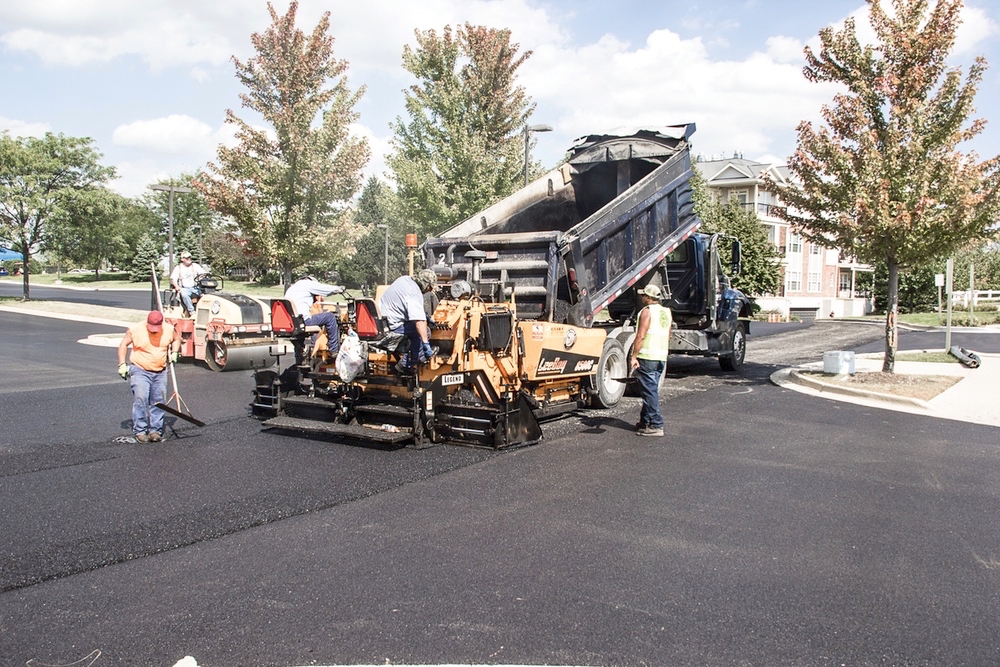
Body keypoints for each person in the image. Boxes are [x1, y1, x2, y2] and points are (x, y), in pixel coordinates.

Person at [117, 310, 181, 443]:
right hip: (140, 370)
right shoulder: (135, 330)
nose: (154, 331)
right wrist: (122, 364)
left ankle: (155, 430)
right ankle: (140, 431)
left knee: (158, 401)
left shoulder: (169, 329)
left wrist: (175, 352)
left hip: (160, 371)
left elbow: (176, 339)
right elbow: (123, 345)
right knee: (141, 399)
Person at [629, 284, 672, 437]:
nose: (641, 297)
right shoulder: (666, 312)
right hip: (661, 356)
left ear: (648, 297)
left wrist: (634, 356)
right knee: (650, 389)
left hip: (647, 357)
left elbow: (640, 335)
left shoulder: (647, 312)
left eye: (643, 295)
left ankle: (656, 424)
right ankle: (645, 421)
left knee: (649, 391)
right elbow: (668, 335)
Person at [377, 269, 438, 374]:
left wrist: (424, 315)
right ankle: (406, 365)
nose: (429, 290)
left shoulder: (404, 279)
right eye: (429, 287)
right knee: (424, 331)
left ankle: (407, 359)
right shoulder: (415, 293)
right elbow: (419, 322)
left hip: (381, 321)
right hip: (392, 325)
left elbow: (404, 304)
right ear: (425, 284)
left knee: (415, 328)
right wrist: (426, 345)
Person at [170, 251, 208, 315]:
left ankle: (205, 312)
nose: (189, 259)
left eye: (190, 257)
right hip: (184, 288)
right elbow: (173, 279)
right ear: (182, 259)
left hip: (195, 288)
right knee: (184, 294)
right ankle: (192, 312)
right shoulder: (178, 268)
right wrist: (176, 286)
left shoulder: (195, 266)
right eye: (187, 258)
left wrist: (200, 278)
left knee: (206, 295)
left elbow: (203, 273)